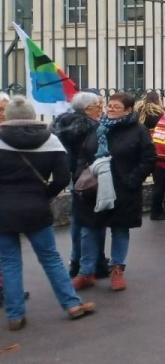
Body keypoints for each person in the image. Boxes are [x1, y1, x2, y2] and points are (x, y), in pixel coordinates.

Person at [0, 97, 96, 330]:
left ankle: (15, 315)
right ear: (33, 114)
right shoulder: (51, 140)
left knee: (9, 263)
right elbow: (63, 177)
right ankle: (72, 304)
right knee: (51, 258)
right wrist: (45, 194)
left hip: (3, 210)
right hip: (37, 208)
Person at [71, 92, 156, 291]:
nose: (110, 109)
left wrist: (132, 180)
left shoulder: (138, 130)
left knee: (119, 229)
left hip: (123, 190)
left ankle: (117, 270)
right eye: (109, 106)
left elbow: (149, 158)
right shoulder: (98, 128)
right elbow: (83, 153)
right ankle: (86, 272)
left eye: (116, 107)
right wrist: (81, 173)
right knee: (89, 229)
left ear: (128, 110)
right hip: (94, 189)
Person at [52, 92, 105, 279]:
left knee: (77, 218)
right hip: (91, 177)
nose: (100, 109)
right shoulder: (93, 127)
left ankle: (75, 260)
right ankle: (95, 262)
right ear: (87, 109)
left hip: (72, 174)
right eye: (97, 106)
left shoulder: (60, 123)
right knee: (94, 221)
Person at [136, 92, 165, 221]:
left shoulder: (139, 112)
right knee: (160, 184)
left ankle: (157, 210)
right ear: (158, 100)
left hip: (144, 151)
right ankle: (156, 211)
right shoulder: (158, 114)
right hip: (160, 152)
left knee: (158, 183)